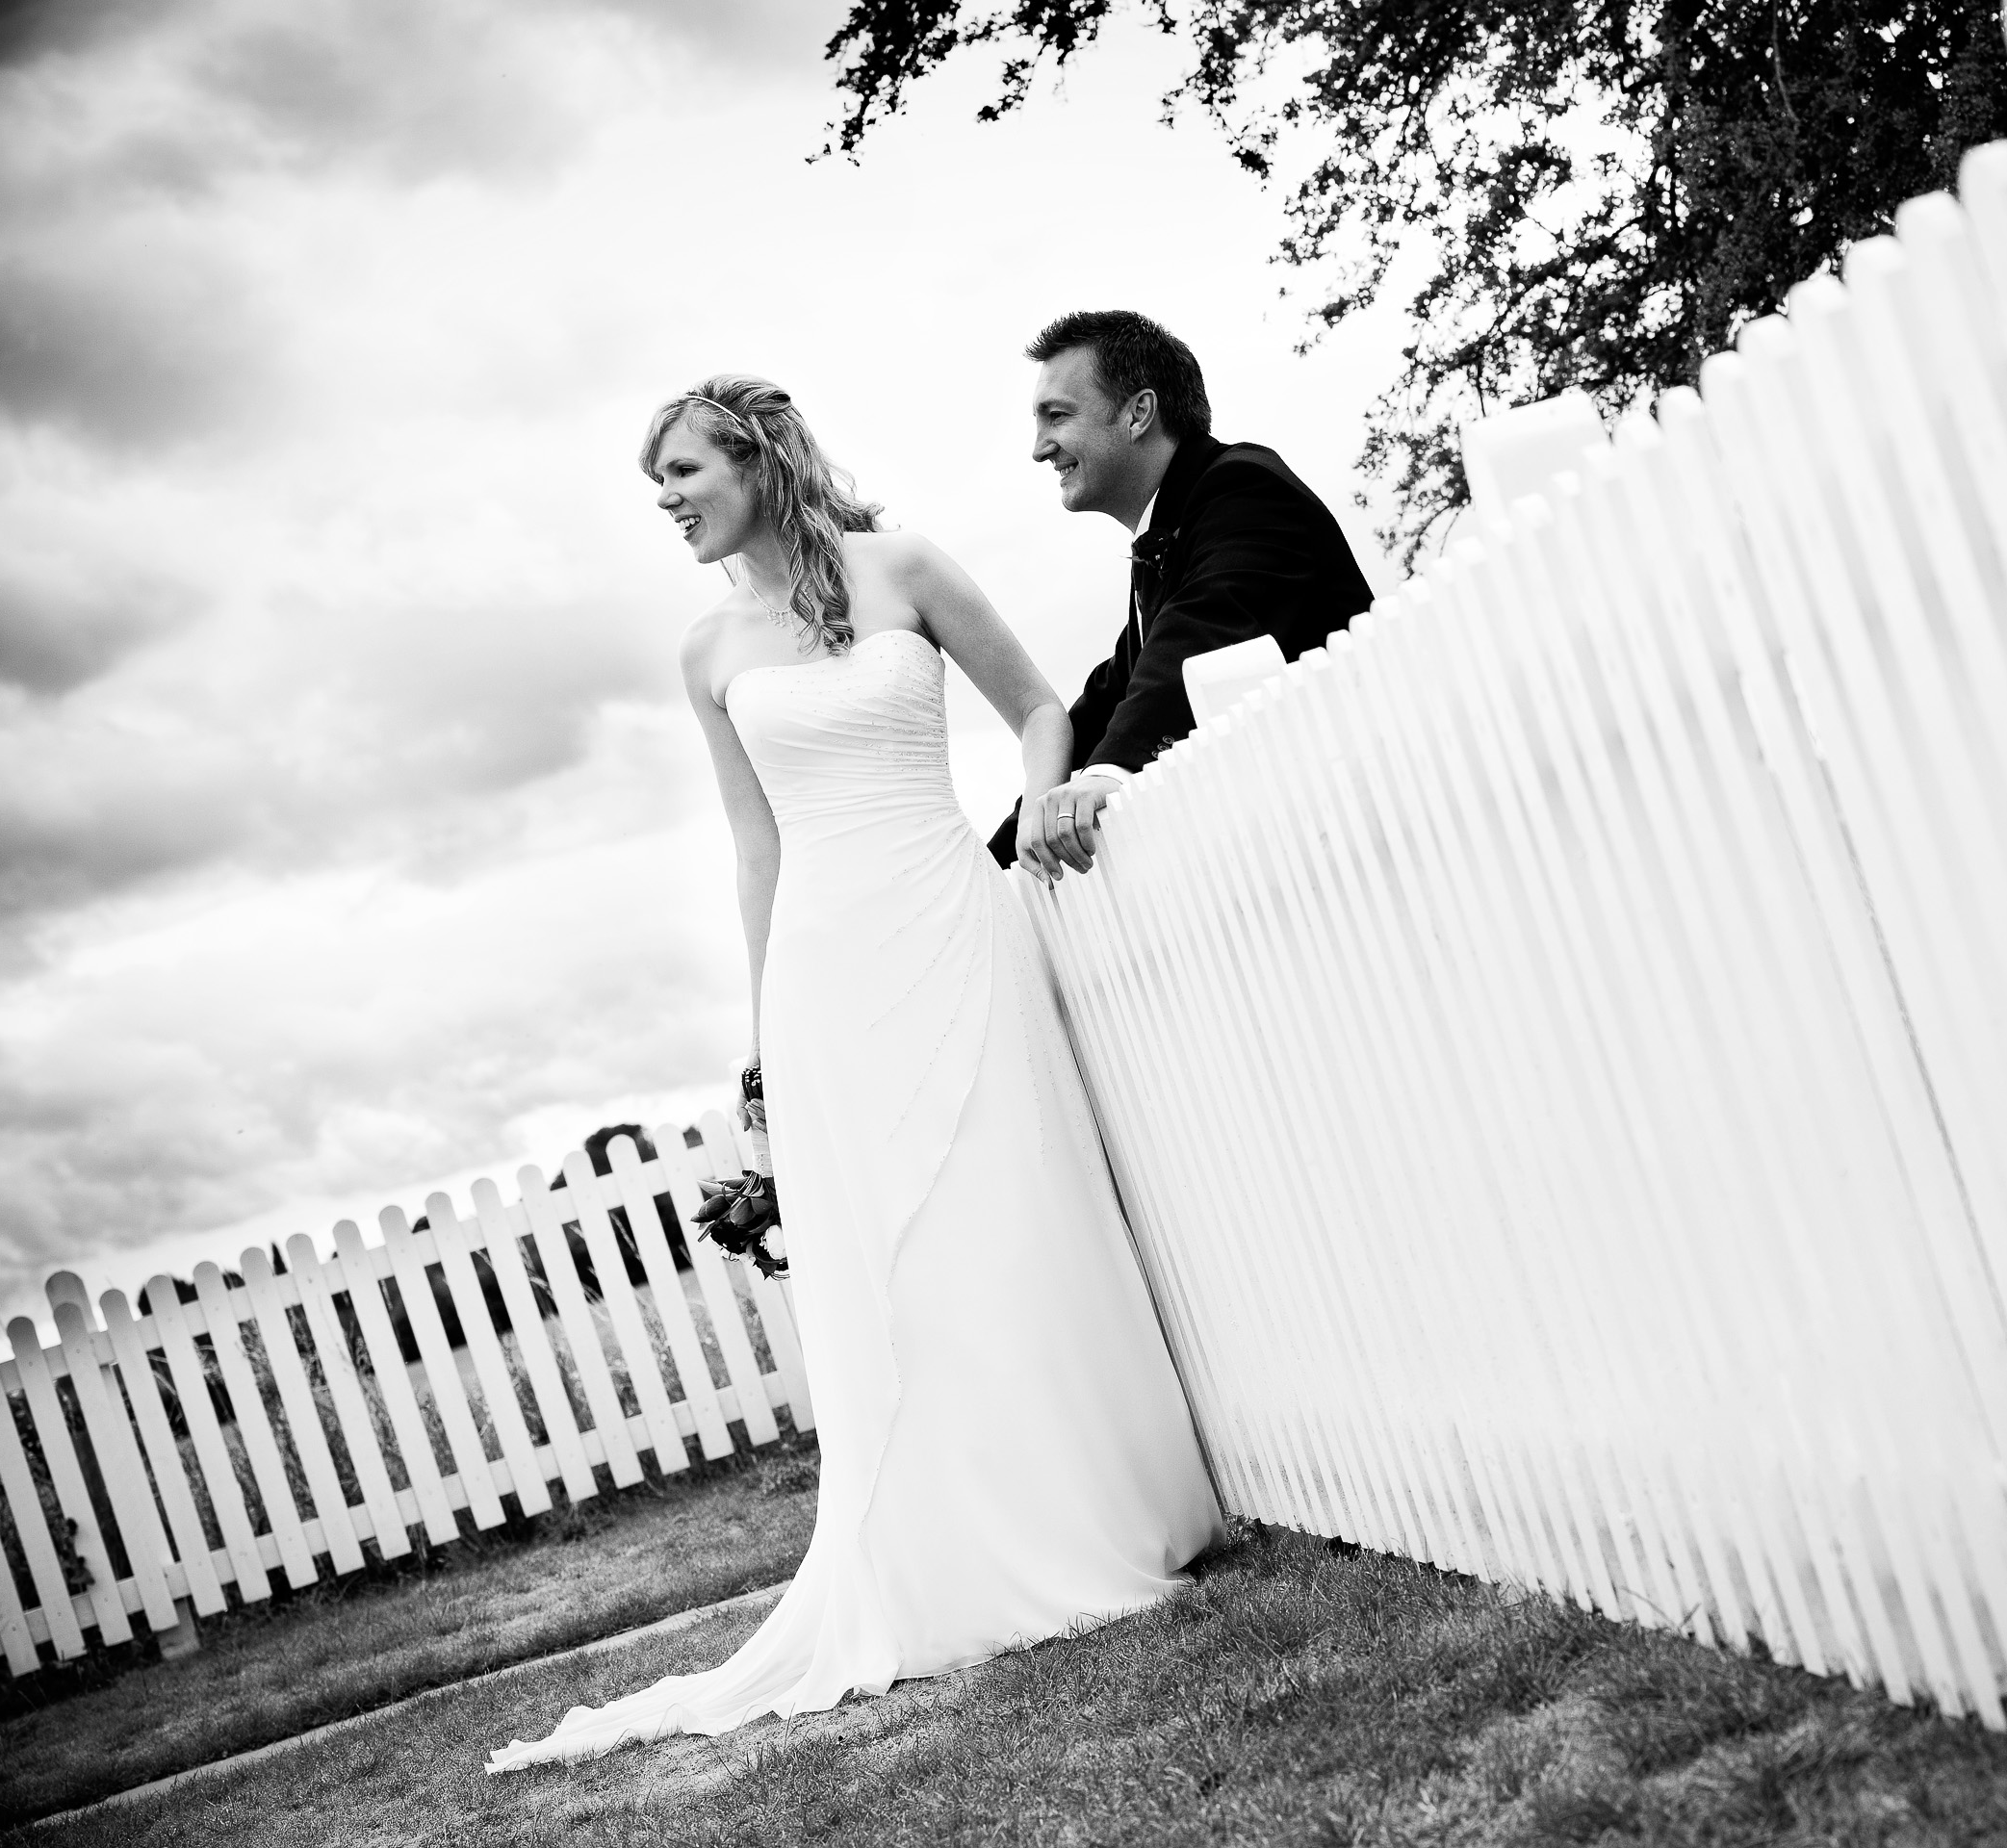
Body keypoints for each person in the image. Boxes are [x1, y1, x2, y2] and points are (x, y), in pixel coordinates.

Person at [487, 375, 1222, 1771]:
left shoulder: (909, 569)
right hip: (825, 973)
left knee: (1003, 1211)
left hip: (953, 918)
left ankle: (1082, 1514)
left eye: (686, 473)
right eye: (658, 488)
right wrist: (762, 1047)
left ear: (761, 459)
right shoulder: (708, 652)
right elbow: (754, 853)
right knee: (885, 1263)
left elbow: (1040, 712)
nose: (672, 504)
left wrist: (1025, 836)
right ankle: (947, 1551)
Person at [1001, 310, 1375, 880]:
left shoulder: (1243, 490)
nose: (1039, 448)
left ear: (1138, 413)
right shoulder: (1171, 533)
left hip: (1365, 834)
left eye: (1058, 416)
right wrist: (992, 867)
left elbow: (1200, 634)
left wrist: (1110, 775)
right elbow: (1109, 701)